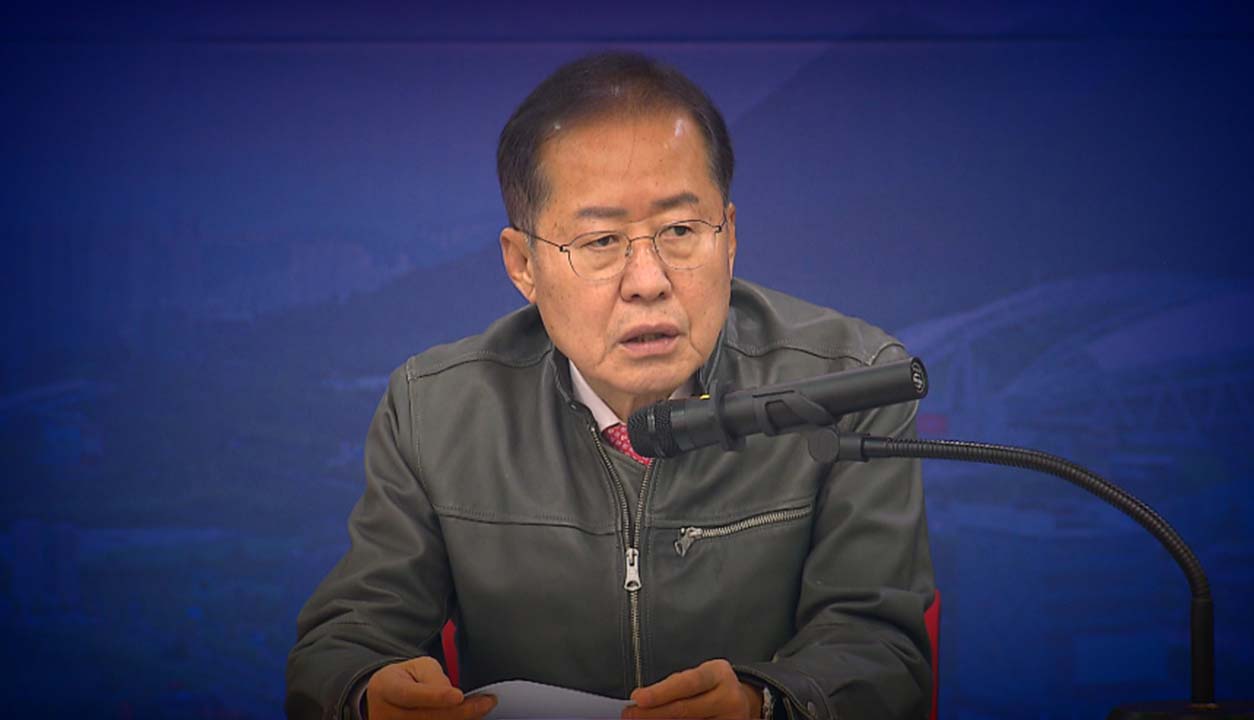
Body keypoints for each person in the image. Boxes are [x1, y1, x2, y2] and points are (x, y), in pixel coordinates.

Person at [286, 51, 935, 720]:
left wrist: (764, 705)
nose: (648, 281)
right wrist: (366, 694)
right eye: (600, 241)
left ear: (729, 237)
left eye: (680, 230)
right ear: (523, 264)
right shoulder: (435, 410)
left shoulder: (850, 385)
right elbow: (347, 640)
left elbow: (882, 653)